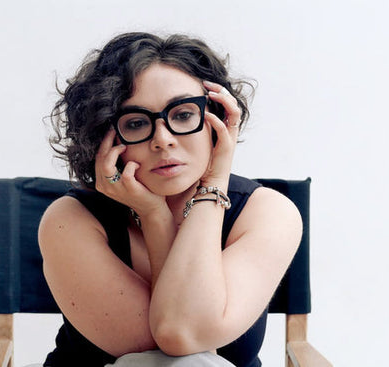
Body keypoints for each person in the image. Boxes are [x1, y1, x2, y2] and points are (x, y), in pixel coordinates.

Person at [39, 32, 302, 367]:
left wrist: (214, 182)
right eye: (135, 123)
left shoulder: (267, 212)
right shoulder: (69, 220)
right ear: (103, 135)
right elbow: (172, 342)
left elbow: (184, 333)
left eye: (182, 115)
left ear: (218, 119)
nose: (163, 140)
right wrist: (155, 215)